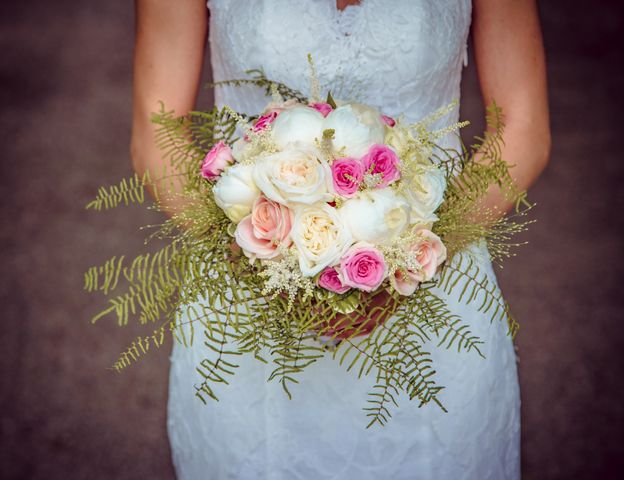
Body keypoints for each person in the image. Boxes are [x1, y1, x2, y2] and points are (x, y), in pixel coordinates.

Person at [131, 1, 550, 478]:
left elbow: (523, 127)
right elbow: (155, 125)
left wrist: (409, 256)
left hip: (434, 286)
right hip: (247, 287)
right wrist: (257, 258)